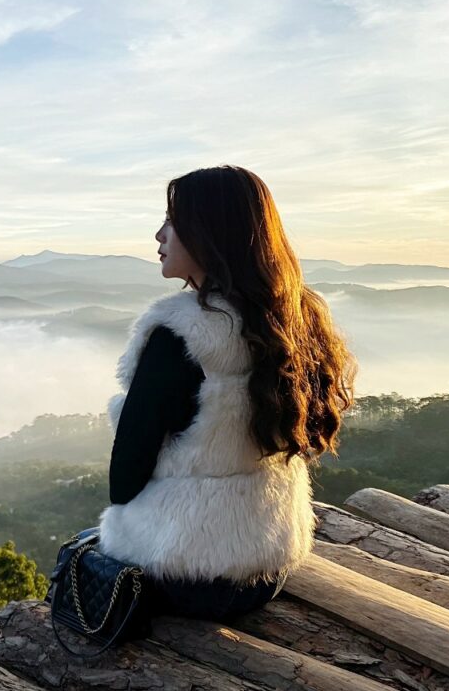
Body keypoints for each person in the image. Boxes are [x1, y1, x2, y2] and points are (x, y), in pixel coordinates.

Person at [90, 165, 357, 625]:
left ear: (208, 232)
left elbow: (125, 480)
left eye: (172, 222)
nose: (159, 235)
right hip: (268, 564)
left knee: (78, 551)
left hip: (187, 574)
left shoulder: (180, 333)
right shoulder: (295, 319)